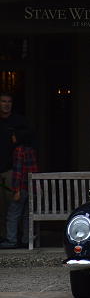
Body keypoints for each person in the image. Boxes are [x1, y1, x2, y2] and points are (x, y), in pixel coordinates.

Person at [0, 127, 38, 248]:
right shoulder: (31, 150)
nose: (12, 137)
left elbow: (17, 172)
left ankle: (11, 240)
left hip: (21, 188)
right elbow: (33, 171)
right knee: (27, 215)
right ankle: (26, 239)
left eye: (14, 135)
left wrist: (16, 190)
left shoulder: (18, 151)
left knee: (13, 214)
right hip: (30, 188)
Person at [0, 92, 27, 242]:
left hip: (11, 169)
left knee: (12, 205)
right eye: (3, 101)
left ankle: (12, 237)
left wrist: (17, 136)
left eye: (9, 101)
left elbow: (29, 137)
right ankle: (4, 236)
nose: (6, 104)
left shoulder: (18, 121)